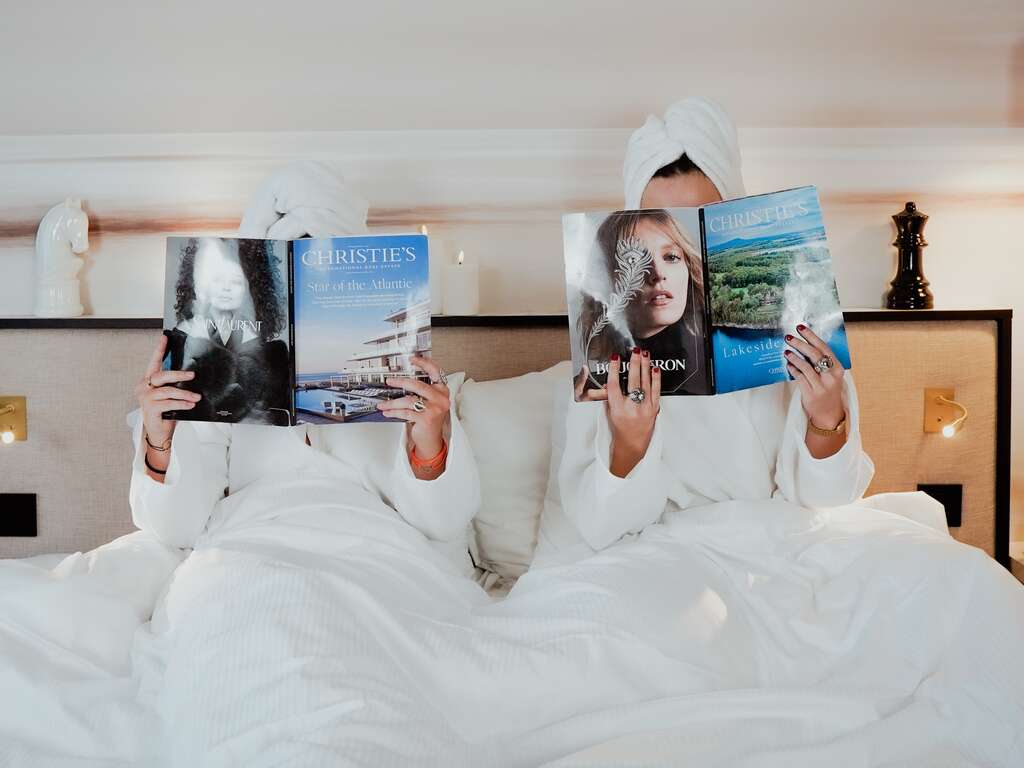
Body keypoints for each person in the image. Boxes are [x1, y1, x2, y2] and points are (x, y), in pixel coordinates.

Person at [536, 96, 874, 564]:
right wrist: (631, 441)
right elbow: (598, 527)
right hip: (658, 561)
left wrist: (825, 414)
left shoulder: (797, 336)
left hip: (778, 553)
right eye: (640, 256)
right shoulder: (597, 371)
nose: (658, 275)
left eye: (675, 251)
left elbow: (831, 499)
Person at [129, 167, 479, 562]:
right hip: (249, 549)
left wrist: (430, 439)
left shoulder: (404, 374)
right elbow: (176, 528)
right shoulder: (210, 367)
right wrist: (159, 439)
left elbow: (444, 522)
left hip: (376, 552)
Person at [574, 208, 709, 398]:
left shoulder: (716, 367)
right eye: (634, 261)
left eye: (671, 257)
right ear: (606, 281)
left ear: (688, 268)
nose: (658, 273)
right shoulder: (589, 388)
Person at [164, 237, 292, 425]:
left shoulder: (276, 355)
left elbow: (283, 418)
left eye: (236, 281)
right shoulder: (173, 344)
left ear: (251, 288)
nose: (226, 288)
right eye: (216, 279)